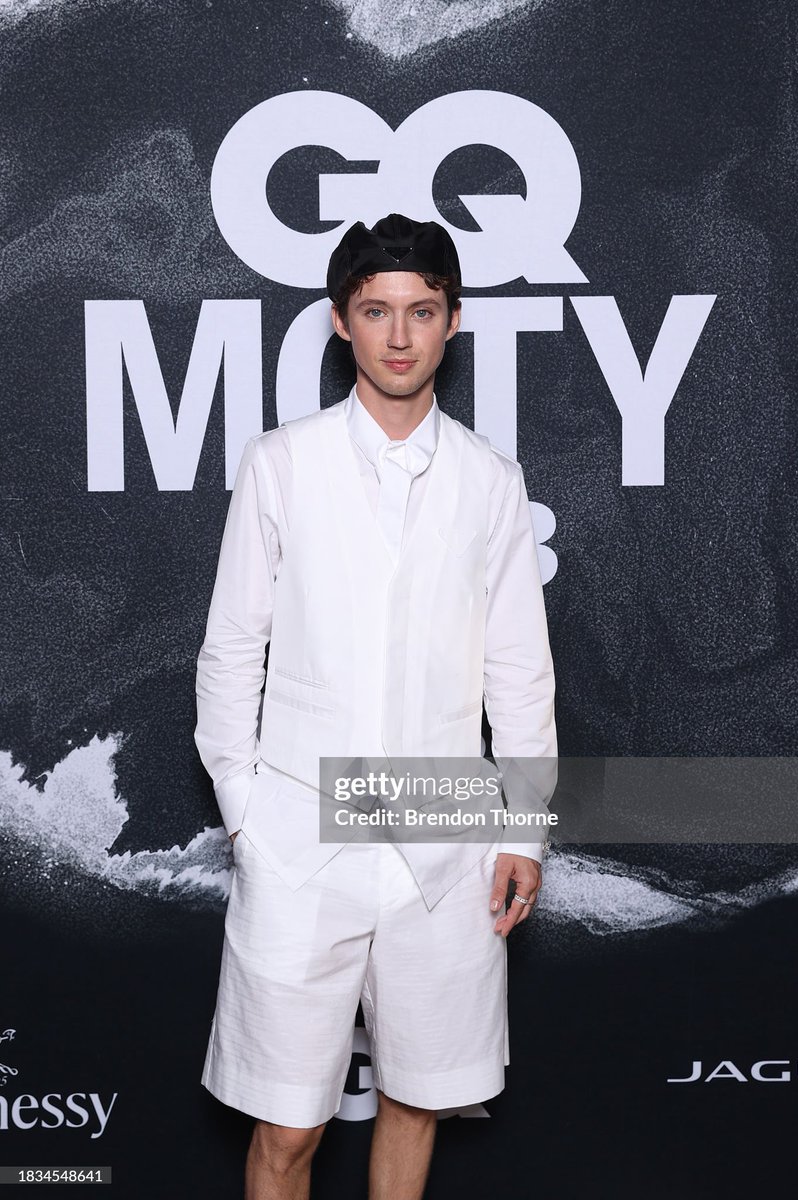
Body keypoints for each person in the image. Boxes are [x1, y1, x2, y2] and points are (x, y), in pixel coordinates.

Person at [194, 213, 557, 1200]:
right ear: (340, 323)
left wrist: (521, 827)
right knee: (285, 1130)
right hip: (298, 831)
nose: (399, 335)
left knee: (414, 1106)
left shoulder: (488, 483)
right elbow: (232, 648)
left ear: (450, 324)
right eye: (376, 312)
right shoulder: (281, 463)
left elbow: (519, 672)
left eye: (420, 312)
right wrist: (244, 810)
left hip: (441, 832)